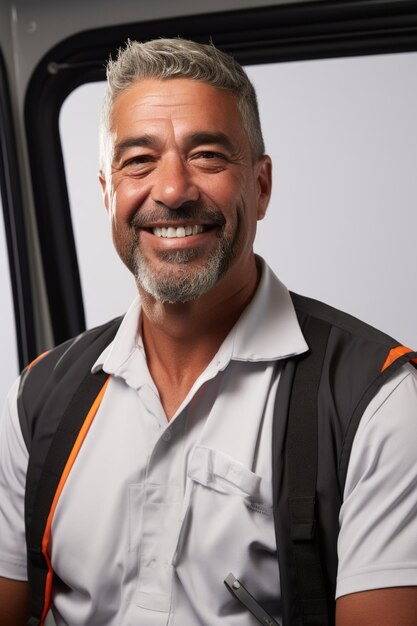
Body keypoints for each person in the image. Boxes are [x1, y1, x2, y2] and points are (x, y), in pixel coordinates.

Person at [0, 38, 416, 626]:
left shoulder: (378, 401)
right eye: (139, 160)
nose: (172, 190)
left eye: (208, 156)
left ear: (261, 186)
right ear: (106, 193)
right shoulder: (37, 397)